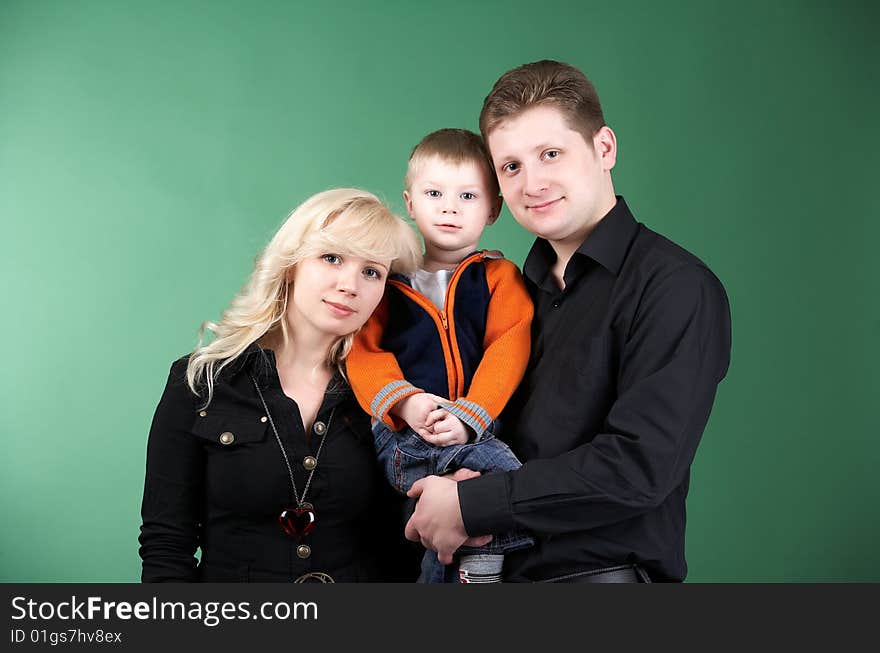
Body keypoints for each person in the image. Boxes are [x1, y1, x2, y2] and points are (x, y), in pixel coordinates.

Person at [404, 60, 732, 583]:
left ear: (604, 149)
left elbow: (637, 467)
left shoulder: (674, 286)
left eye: (550, 154)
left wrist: (473, 503)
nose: (532, 183)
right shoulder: (508, 293)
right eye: (510, 167)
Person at [139, 188, 423, 582]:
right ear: (291, 264)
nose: (350, 284)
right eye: (332, 258)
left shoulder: (394, 396)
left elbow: (404, 549)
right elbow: (166, 544)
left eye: (371, 271)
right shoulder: (200, 382)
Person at [346, 128, 535, 583]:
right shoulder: (389, 279)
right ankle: (487, 558)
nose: (450, 207)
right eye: (435, 193)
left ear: (492, 209)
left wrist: (470, 416)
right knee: (501, 482)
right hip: (405, 434)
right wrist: (407, 404)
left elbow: (508, 348)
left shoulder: (498, 277)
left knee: (451, 516)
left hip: (471, 430)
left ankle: (463, 571)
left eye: (468, 195)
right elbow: (363, 352)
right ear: (410, 204)